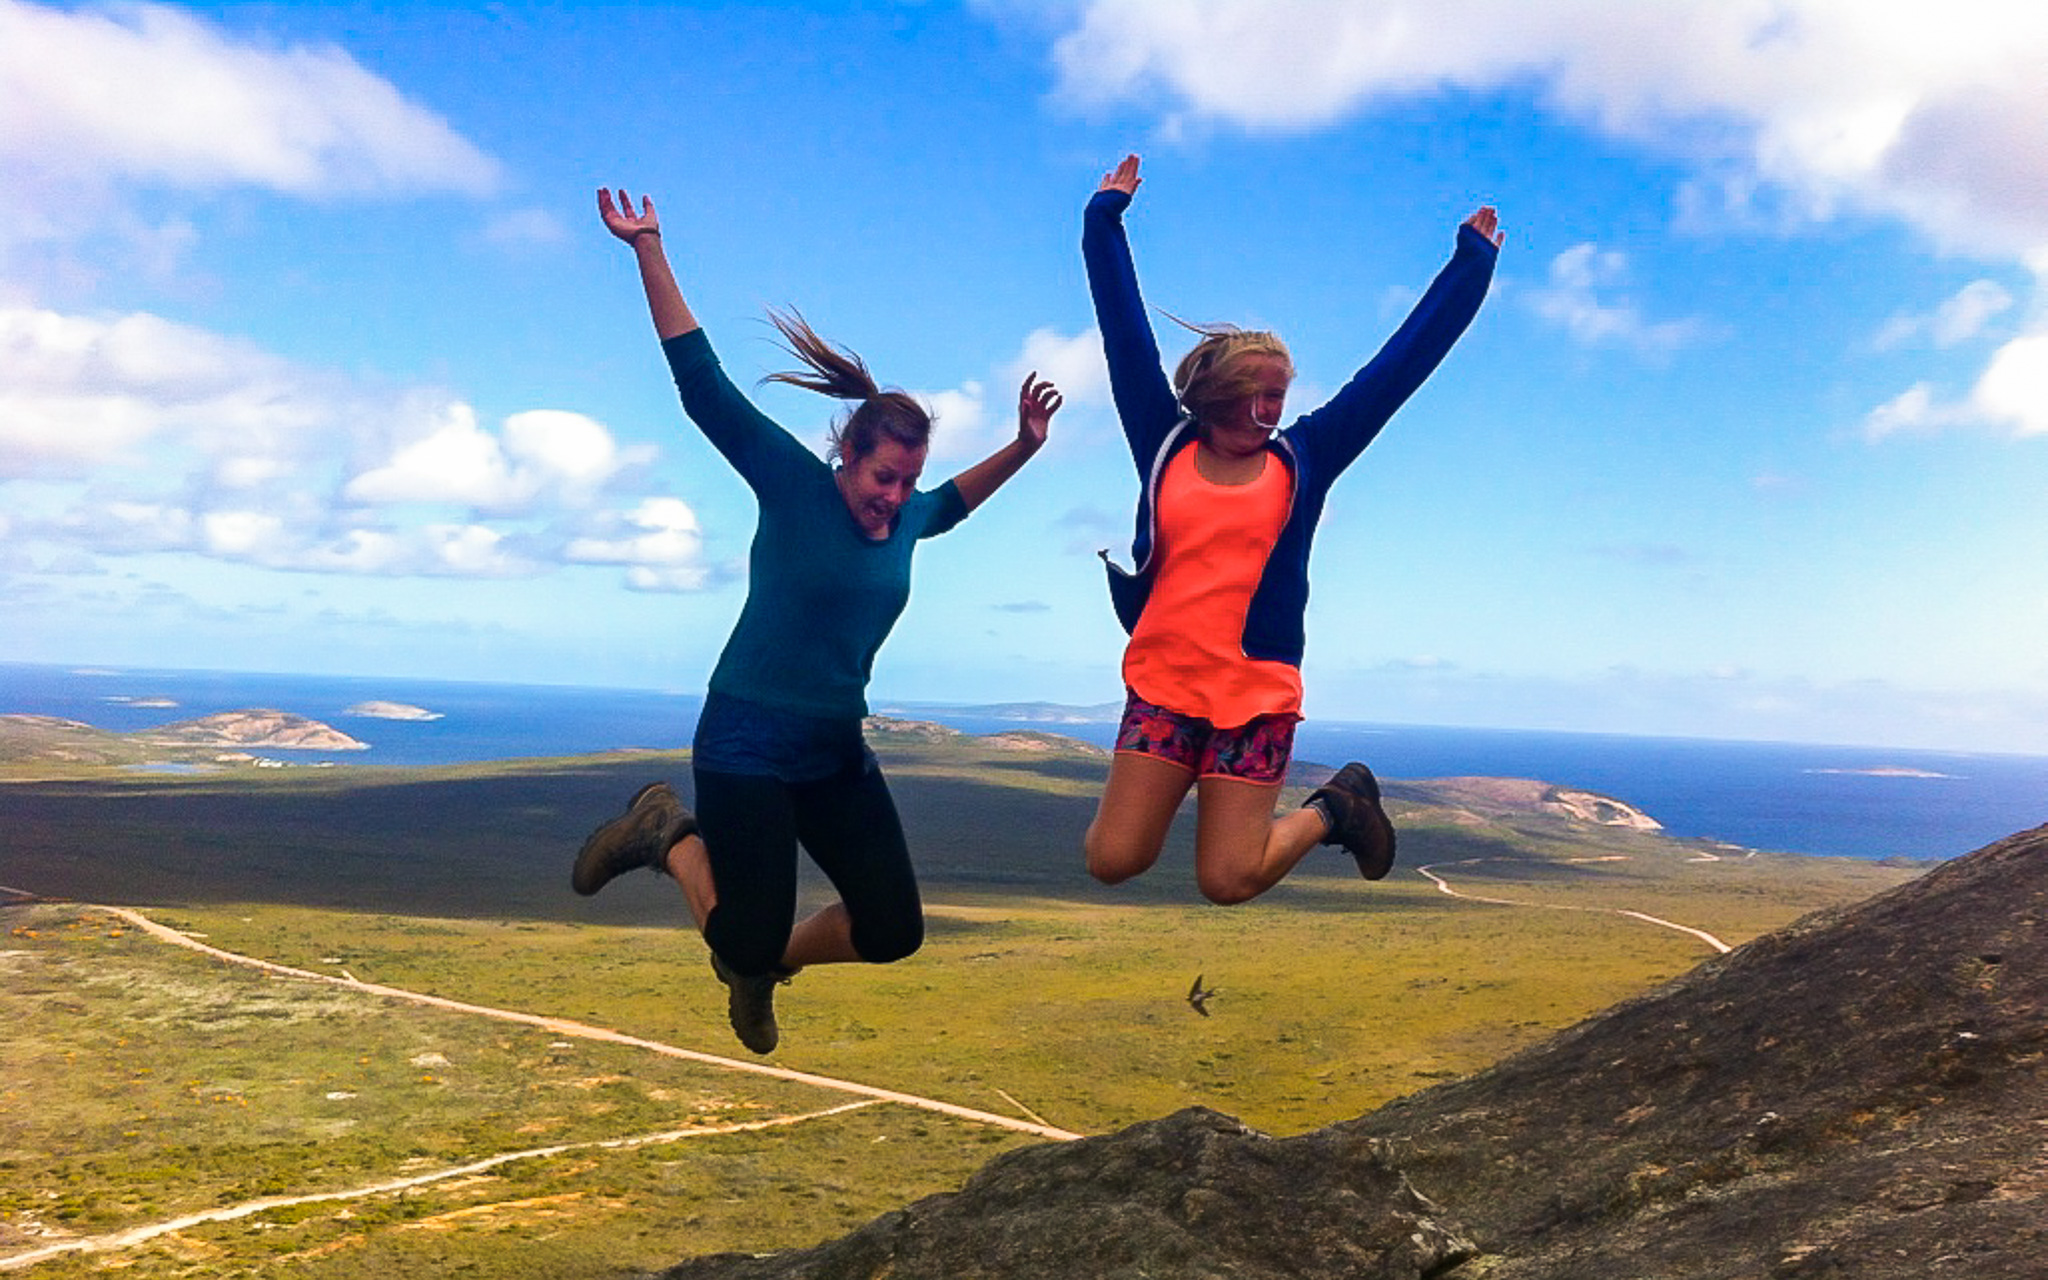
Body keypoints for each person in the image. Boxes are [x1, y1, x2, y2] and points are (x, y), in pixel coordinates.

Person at [574, 187, 1062, 1054]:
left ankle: (765, 967)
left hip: (833, 751)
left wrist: (1023, 446)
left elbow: (952, 504)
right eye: (882, 479)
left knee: (892, 929)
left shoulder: (911, 513)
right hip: (745, 741)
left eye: (907, 482)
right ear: (846, 456)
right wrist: (648, 246)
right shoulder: (794, 485)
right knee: (742, 929)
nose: (895, 499)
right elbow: (704, 388)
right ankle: (667, 835)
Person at [1080, 154, 1501, 905]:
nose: (1273, 409)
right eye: (1259, 394)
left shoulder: (1305, 460)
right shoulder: (1165, 442)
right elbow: (1123, 336)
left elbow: (1397, 370)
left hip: (1254, 694)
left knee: (1228, 878)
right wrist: (1103, 221)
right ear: (1218, 393)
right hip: (1165, 687)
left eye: (1281, 394)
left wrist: (1469, 268)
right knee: (1112, 858)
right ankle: (1321, 806)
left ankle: (1337, 808)